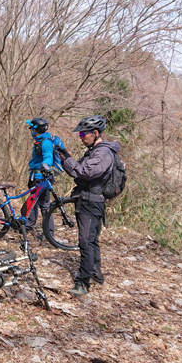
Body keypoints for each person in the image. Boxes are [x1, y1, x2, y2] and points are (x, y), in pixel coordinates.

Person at [55, 115, 120, 296]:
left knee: (85, 242)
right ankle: (96, 274)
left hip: (92, 203)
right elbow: (77, 173)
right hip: (86, 200)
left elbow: (84, 172)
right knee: (91, 240)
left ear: (95, 133)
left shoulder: (103, 153)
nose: (81, 136)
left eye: (84, 133)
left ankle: (83, 283)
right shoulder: (93, 151)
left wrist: (66, 158)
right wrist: (65, 156)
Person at [25, 118, 55, 239]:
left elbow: (48, 157)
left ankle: (49, 233)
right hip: (35, 177)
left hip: (41, 178)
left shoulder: (46, 142)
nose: (30, 130)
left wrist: (45, 165)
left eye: (31, 128)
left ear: (36, 129)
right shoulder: (39, 141)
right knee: (34, 204)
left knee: (44, 205)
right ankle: (28, 226)